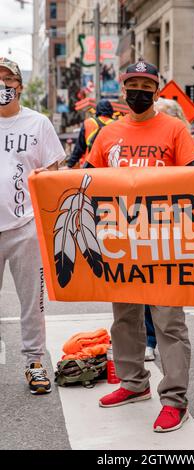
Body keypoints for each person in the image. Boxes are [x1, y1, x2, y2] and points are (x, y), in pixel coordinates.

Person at [84, 59, 194, 432]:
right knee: (125, 319)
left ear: (156, 89)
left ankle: (174, 399)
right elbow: (87, 179)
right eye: (132, 84)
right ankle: (134, 384)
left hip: (164, 242)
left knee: (168, 322)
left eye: (146, 86)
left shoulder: (174, 129)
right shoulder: (107, 135)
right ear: (123, 89)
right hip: (122, 241)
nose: (139, 91)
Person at [0, 57, 65, 394]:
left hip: (26, 225)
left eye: (7, 79)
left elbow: (54, 172)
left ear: (20, 86)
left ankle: (35, 362)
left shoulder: (38, 124)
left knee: (31, 302)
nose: (2, 86)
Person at [144, 98, 191, 362]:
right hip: (140, 226)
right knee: (143, 289)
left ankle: (167, 341)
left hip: (169, 225)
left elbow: (193, 179)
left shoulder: (178, 138)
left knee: (166, 291)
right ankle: (149, 340)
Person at [66, 99, 114, 168]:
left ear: (97, 110)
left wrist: (70, 164)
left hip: (91, 165)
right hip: (110, 167)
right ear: (111, 110)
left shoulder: (88, 123)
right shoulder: (116, 124)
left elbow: (79, 148)